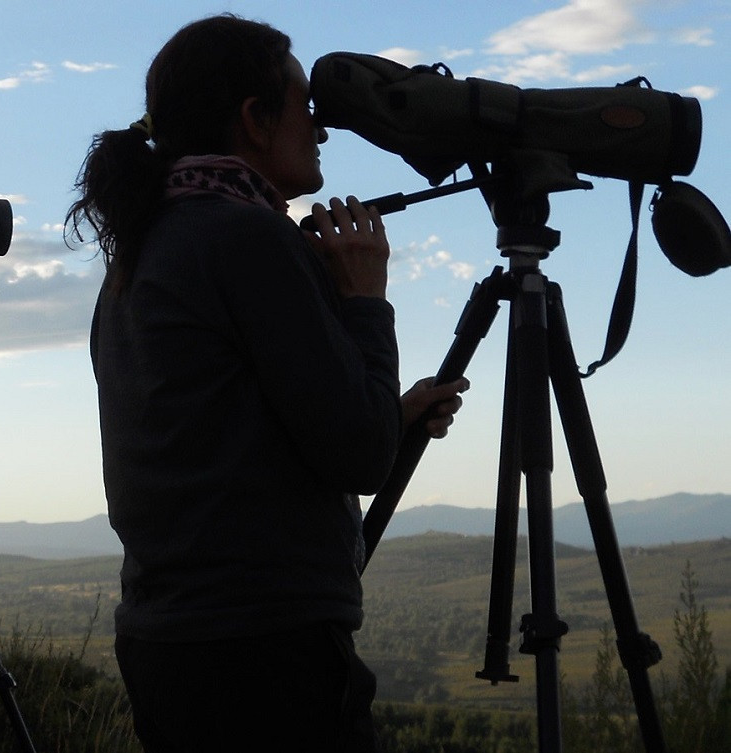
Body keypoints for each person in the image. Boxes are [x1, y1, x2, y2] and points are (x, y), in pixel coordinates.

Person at [68, 15, 469, 752]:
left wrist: (392, 410)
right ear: (254, 120)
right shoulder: (247, 237)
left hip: (174, 642)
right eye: (302, 103)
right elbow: (360, 456)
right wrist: (365, 302)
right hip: (267, 651)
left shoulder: (149, 243)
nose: (320, 127)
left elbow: (226, 433)